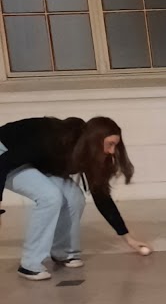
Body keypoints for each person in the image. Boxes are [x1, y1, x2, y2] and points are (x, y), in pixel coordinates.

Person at [0, 115, 150, 280]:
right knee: (50, 196)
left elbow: (101, 195)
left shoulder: (84, 149)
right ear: (95, 140)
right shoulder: (55, 140)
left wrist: (127, 238)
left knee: (75, 197)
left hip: (30, 158)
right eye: (110, 144)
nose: (112, 151)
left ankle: (63, 252)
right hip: (4, 154)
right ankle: (29, 264)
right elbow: (5, 162)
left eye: (115, 145)